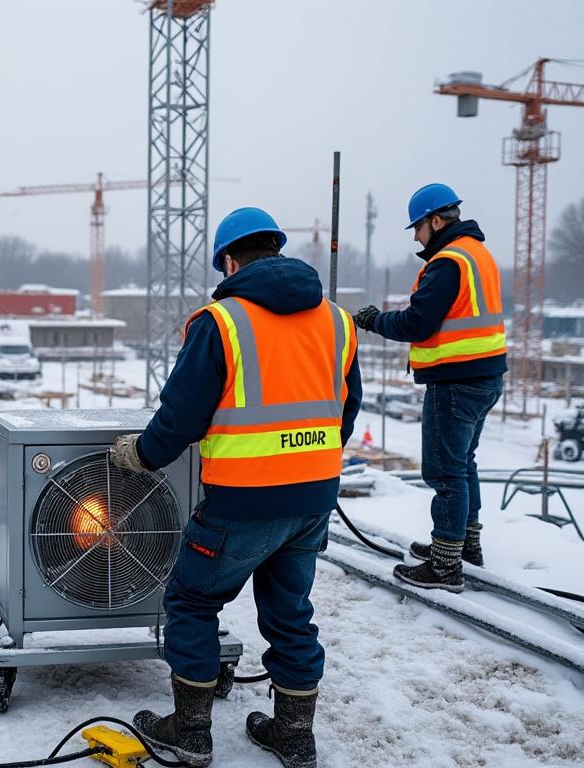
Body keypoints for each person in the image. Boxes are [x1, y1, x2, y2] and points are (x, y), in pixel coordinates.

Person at [112, 207, 361, 768]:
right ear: (275, 247)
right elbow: (345, 411)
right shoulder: (337, 321)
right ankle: (294, 735)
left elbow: (181, 416)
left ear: (228, 260)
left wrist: (142, 454)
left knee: (192, 601)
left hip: (242, 499)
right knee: (290, 611)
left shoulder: (221, 322)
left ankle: (190, 731)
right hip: (312, 498)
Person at [352, 183, 507, 592]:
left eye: (417, 228)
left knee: (445, 471)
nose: (416, 238)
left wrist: (372, 320)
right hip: (485, 376)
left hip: (456, 381)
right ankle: (463, 546)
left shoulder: (448, 261)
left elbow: (416, 323)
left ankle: (444, 566)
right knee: (463, 464)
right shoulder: (477, 254)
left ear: (435, 221)